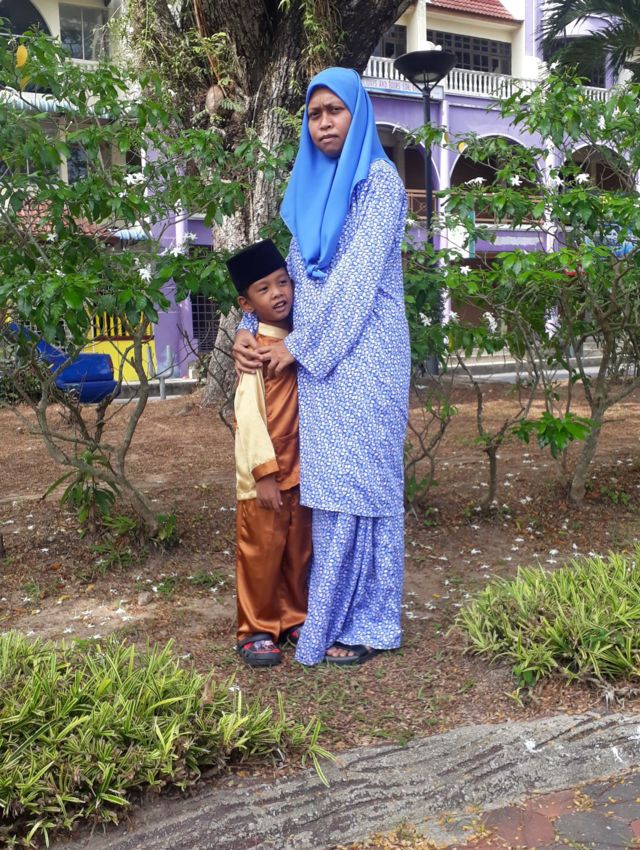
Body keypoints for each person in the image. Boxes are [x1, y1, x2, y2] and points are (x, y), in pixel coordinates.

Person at [234, 67, 410, 666]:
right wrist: (249, 328)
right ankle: (325, 612)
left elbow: (355, 282)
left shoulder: (379, 184)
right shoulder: (310, 189)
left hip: (368, 355)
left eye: (335, 111)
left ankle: (370, 621)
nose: (324, 123)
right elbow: (286, 283)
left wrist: (297, 349)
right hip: (317, 360)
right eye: (314, 115)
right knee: (329, 489)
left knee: (366, 487)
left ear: (357, 115)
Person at [227, 238, 312, 667]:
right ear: (246, 303)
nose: (278, 294)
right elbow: (248, 414)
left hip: (302, 470)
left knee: (297, 550)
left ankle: (294, 617)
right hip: (266, 474)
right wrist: (262, 473)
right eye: (264, 288)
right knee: (261, 551)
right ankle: (256, 627)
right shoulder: (255, 352)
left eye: (283, 282)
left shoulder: (300, 340)